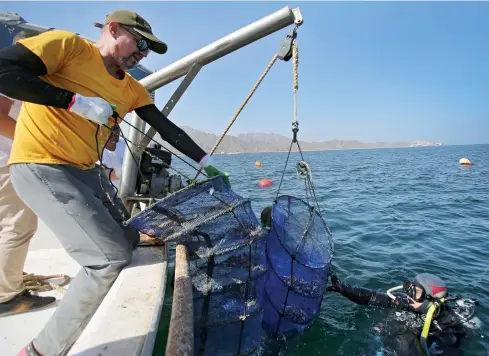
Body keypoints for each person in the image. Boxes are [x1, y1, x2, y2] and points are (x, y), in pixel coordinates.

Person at [0, 10, 229, 355]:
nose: (143, 52)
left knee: (128, 237)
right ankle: (39, 350)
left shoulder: (132, 89)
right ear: (112, 29)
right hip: (41, 165)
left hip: (85, 170)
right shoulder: (67, 46)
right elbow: (4, 72)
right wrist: (72, 101)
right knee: (108, 259)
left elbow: (167, 128)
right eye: (140, 42)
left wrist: (205, 161)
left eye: (147, 49)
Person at [0, 30, 57, 318]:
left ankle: (8, 278)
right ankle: (6, 296)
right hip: (7, 160)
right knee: (17, 226)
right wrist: (33, 144)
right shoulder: (15, 72)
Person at [327, 271, 481, 355]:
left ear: (431, 300)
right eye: (410, 289)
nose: (409, 296)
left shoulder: (448, 324)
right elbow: (371, 298)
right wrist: (344, 290)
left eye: (417, 293)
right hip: (382, 343)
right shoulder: (404, 303)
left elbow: (455, 347)